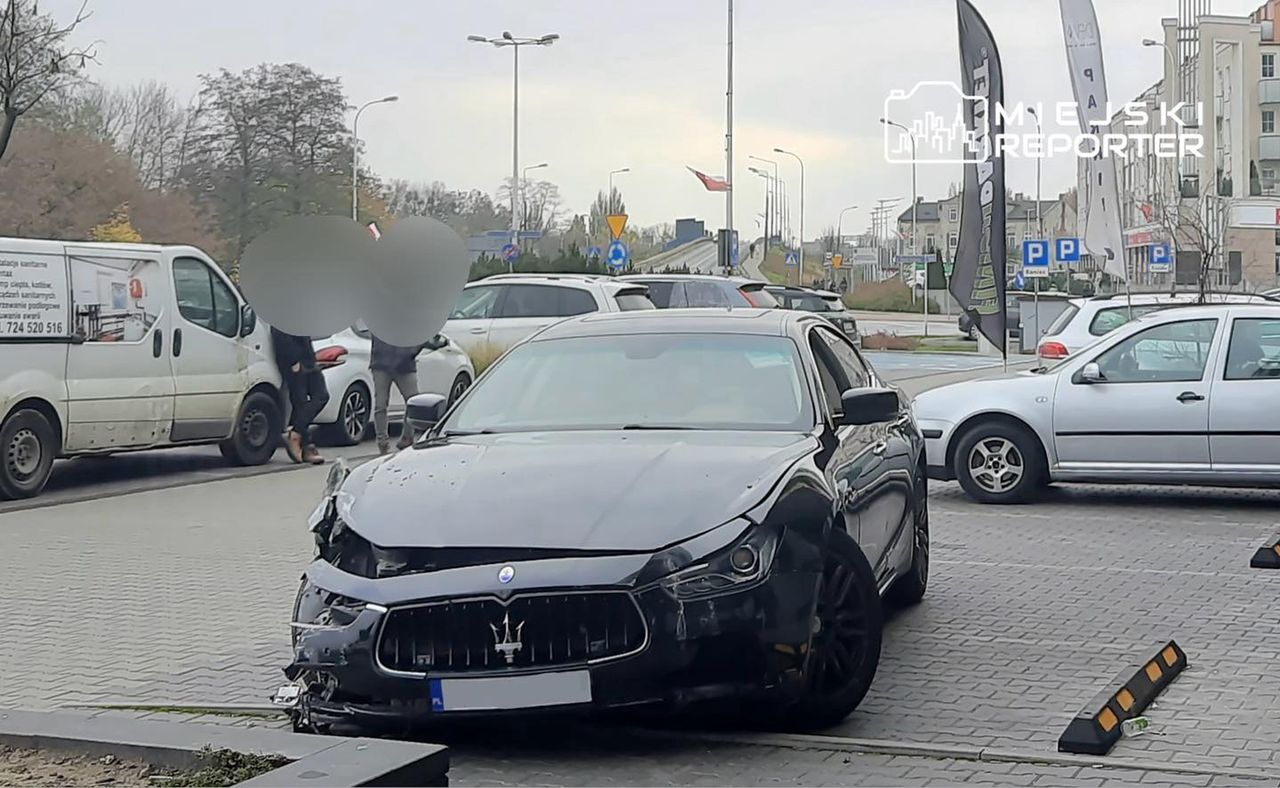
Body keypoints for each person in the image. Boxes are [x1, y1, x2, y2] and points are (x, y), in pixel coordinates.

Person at [270, 326, 329, 465]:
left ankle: (296, 433)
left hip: (309, 359)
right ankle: (307, 446)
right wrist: (292, 360)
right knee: (300, 402)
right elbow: (279, 331)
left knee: (322, 396)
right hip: (294, 362)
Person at [371, 333, 435, 455]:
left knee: (414, 402)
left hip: (405, 364)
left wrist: (411, 351)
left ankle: (407, 437)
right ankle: (383, 443)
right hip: (381, 364)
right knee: (381, 404)